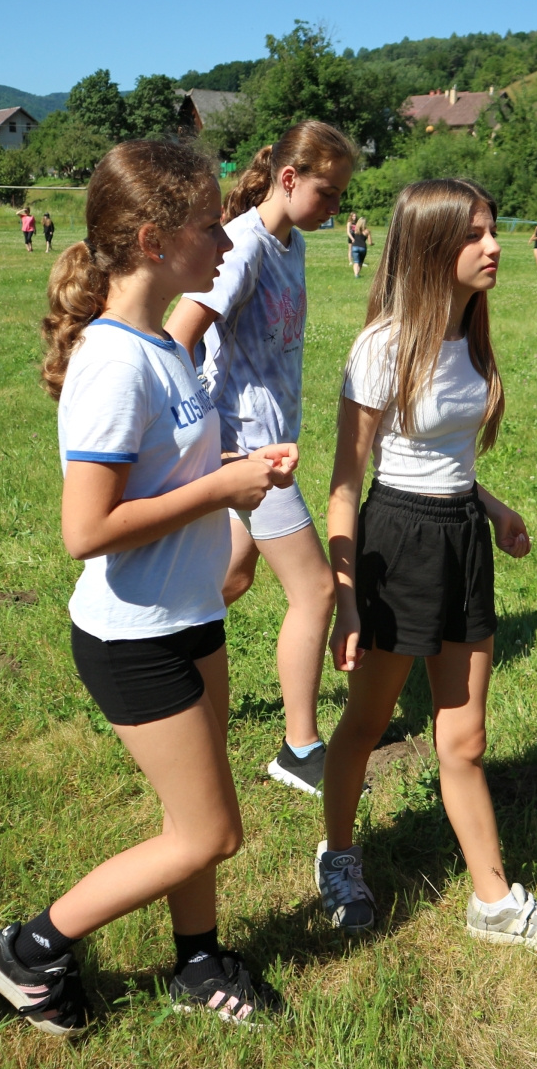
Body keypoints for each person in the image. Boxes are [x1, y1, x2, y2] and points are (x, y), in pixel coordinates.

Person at [0, 140, 298, 1033]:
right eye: (209, 227)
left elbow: (163, 477)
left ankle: (198, 961)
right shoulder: (115, 363)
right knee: (210, 833)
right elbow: (87, 530)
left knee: (194, 815)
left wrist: (233, 476)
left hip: (188, 615)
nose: (226, 242)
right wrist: (222, 490)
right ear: (155, 241)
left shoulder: (160, 344)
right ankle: (28, 950)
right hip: (134, 638)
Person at [316, 178, 537, 951]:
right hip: (396, 545)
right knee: (367, 724)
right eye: (474, 235)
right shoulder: (382, 347)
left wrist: (490, 508)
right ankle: (339, 857)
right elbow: (347, 484)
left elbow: (443, 457)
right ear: (432, 249)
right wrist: (347, 599)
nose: (494, 246)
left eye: (492, 230)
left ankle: (492, 901)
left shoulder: (472, 336)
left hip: (462, 539)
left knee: (464, 739)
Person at [164, 121, 357, 797]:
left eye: (341, 196)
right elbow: (177, 337)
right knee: (316, 591)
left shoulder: (290, 243)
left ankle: (156, 661)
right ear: (288, 178)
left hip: (269, 444)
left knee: (232, 578)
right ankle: (299, 750)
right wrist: (204, 437)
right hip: (248, 453)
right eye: (327, 193)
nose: (335, 207)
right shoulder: (243, 244)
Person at [348, 213, 373, 278]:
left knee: (356, 262)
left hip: (355, 247)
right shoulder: (367, 231)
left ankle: (356, 274)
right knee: (360, 262)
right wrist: (372, 244)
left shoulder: (355, 230)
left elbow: (349, 233)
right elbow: (370, 243)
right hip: (363, 248)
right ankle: (357, 274)